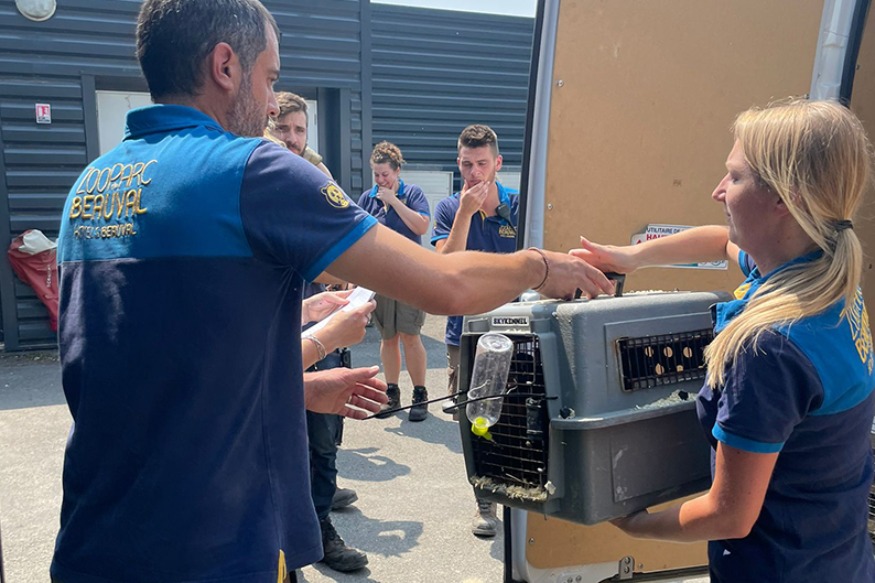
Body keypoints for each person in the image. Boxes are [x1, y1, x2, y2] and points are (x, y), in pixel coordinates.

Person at [52, 1, 614, 581]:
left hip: (94, 542)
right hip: (212, 546)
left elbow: (160, 363)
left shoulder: (91, 188)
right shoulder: (254, 170)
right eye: (270, 78)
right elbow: (443, 282)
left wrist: (291, 383)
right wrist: (540, 266)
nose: (273, 106)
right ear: (225, 65)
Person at [573, 99, 875, 583]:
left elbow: (728, 515)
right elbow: (718, 240)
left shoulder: (768, 347)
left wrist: (635, 523)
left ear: (786, 197)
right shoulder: (824, 277)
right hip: (840, 558)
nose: (718, 191)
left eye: (734, 177)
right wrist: (631, 256)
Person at [267, 96, 369, 572]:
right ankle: (302, 530)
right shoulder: (255, 183)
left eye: (299, 130)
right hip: (274, 336)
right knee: (282, 437)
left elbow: (342, 245)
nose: (290, 138)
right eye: (282, 128)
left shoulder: (318, 182)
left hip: (320, 322)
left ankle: (319, 520)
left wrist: (342, 283)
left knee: (325, 432)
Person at [431, 124, 518, 537]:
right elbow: (444, 266)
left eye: (482, 164)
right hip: (465, 332)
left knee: (520, 411)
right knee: (478, 417)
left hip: (517, 328)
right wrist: (466, 212)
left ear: (497, 164)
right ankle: (485, 501)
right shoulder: (449, 209)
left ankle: (523, 495)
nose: (474, 173)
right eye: (466, 164)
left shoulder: (519, 208)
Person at [357, 141, 431, 421]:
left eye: (385, 174)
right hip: (381, 278)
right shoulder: (367, 198)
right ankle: (392, 394)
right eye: (376, 174)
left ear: (397, 171)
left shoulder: (412, 194)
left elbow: (422, 226)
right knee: (388, 338)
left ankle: (420, 394)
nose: (380, 180)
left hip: (411, 275)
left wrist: (394, 202)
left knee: (410, 335)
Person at [267, 91, 333, 178]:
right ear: (266, 131)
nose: (292, 139)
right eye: (282, 129)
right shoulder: (251, 171)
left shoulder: (318, 175)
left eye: (300, 130)